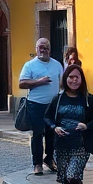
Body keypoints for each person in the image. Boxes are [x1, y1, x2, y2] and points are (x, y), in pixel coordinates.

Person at [18, 38, 61, 176]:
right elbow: (22, 83)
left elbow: (63, 83)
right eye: (41, 48)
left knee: (52, 134)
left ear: (50, 49)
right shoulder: (30, 65)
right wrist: (39, 81)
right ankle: (37, 164)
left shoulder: (57, 65)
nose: (43, 50)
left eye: (46, 47)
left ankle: (49, 159)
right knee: (37, 134)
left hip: (53, 105)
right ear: (36, 49)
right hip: (35, 105)